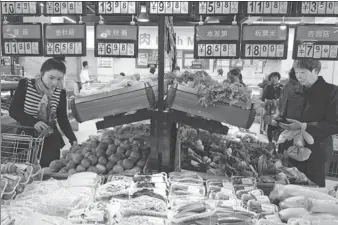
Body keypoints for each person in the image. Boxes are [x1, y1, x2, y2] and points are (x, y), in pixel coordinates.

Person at [279, 59, 338, 187]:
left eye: (303, 72)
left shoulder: (331, 92)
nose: (299, 76)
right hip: (291, 150)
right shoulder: (293, 91)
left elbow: (335, 124)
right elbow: (284, 116)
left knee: (311, 191)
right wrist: (278, 122)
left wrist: (305, 127)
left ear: (316, 71)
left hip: (316, 150)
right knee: (288, 187)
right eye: (297, 72)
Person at [9, 57, 77, 168]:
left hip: (50, 137)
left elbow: (62, 119)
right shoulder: (26, 85)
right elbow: (13, 111)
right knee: (24, 170)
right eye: (51, 77)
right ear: (42, 73)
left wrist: (72, 139)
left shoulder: (60, 93)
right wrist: (33, 122)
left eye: (59, 79)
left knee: (49, 171)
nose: (55, 83)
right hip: (27, 136)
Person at [261, 72, 283, 143]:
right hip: (270, 109)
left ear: (278, 78)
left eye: (275, 77)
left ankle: (278, 141)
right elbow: (263, 98)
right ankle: (270, 142)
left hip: (280, 110)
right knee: (270, 125)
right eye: (272, 78)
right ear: (270, 79)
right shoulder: (267, 87)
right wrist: (269, 102)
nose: (273, 79)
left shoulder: (282, 87)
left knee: (279, 125)